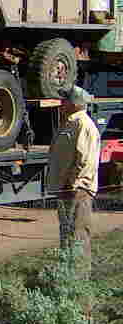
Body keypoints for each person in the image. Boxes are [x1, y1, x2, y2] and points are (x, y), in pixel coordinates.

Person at [45, 85, 100, 276]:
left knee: (78, 233)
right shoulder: (69, 122)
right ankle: (68, 273)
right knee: (66, 233)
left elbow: (84, 160)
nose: (61, 103)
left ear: (75, 103)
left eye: (65, 100)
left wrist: (74, 184)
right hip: (66, 188)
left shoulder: (83, 125)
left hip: (77, 190)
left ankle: (79, 277)